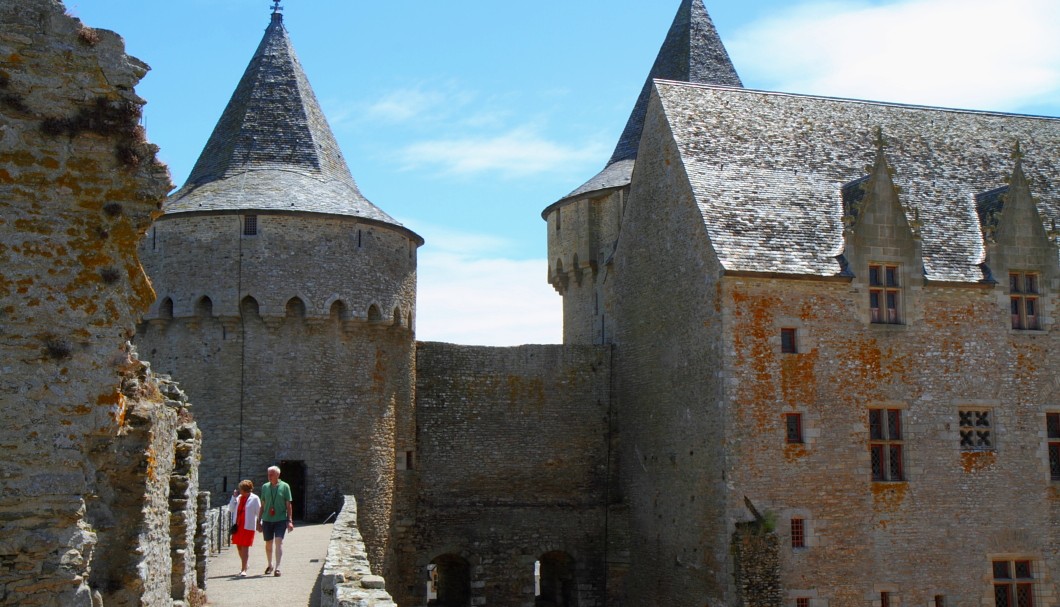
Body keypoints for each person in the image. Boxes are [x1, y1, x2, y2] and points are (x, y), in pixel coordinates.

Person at [256, 465, 294, 576]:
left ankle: (278, 567)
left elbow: (288, 504)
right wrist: (259, 521)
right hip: (267, 519)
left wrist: (290, 520)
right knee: (268, 543)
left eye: (271, 474)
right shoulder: (265, 487)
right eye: (268, 474)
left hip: (280, 519)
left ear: (278, 475)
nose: (269, 476)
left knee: (278, 541)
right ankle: (270, 564)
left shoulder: (285, 486)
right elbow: (262, 505)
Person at [227, 479, 261, 577]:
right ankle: (245, 564)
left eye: (240, 489)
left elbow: (259, 512)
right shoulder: (238, 498)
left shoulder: (255, 498)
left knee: (245, 546)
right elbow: (231, 509)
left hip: (248, 526)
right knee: (238, 546)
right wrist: (233, 497)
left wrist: (260, 523)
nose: (239, 490)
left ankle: (243, 569)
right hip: (238, 525)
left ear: (244, 489)